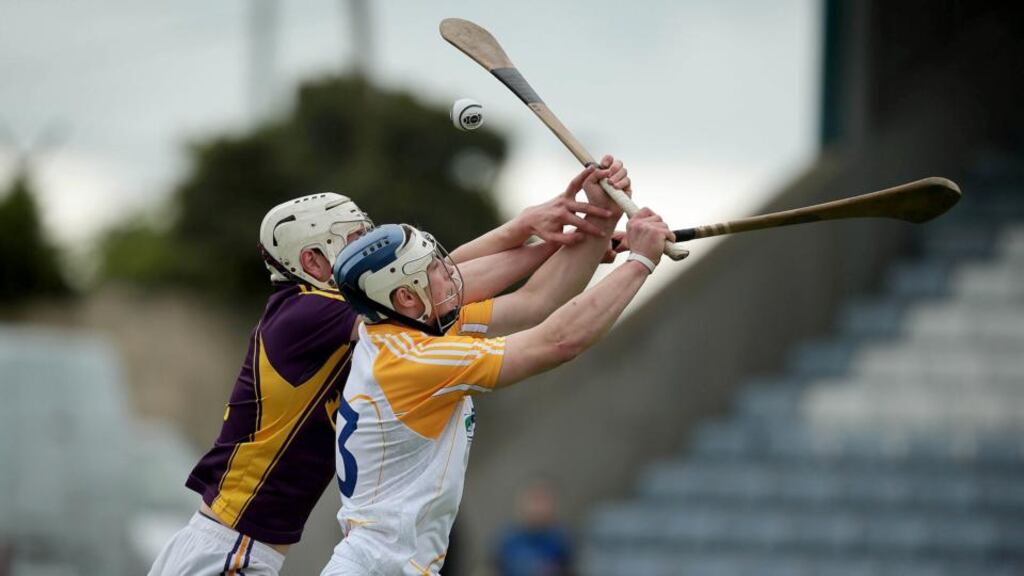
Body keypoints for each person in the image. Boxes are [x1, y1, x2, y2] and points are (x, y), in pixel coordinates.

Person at [147, 165, 624, 576]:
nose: (371, 249)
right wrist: (544, 238)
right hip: (227, 550)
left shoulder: (374, 326)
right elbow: (425, 284)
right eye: (355, 240)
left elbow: (435, 283)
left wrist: (554, 236)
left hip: (242, 547)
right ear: (312, 260)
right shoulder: (305, 314)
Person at [323, 162, 672, 575]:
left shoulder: (402, 330)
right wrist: (639, 261)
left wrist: (600, 217)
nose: (450, 273)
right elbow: (557, 341)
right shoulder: (417, 360)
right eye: (432, 269)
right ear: (405, 298)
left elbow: (537, 300)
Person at [495, 480, 573, 576]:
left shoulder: (561, 540)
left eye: (543, 501)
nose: (538, 507)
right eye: (534, 500)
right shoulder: (507, 540)